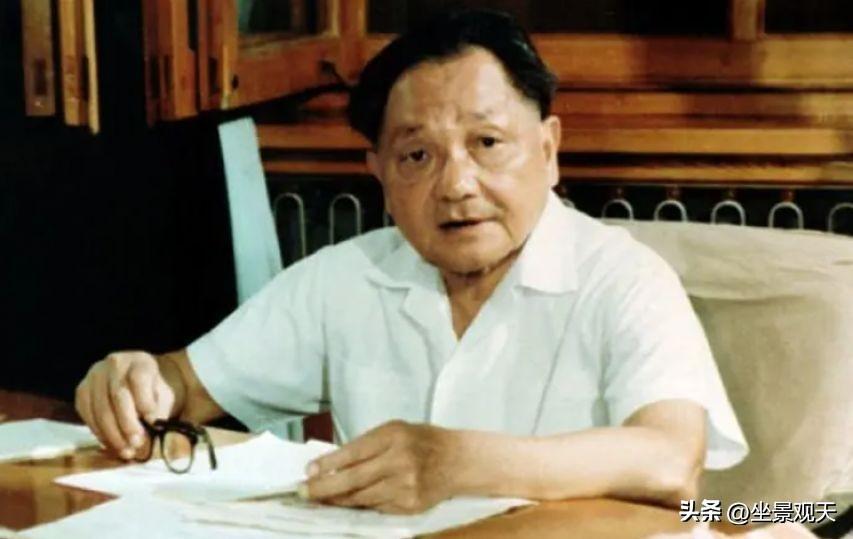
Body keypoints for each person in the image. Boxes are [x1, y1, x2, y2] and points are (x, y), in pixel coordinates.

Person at [75, 9, 747, 515]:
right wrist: (137, 383)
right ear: (379, 174)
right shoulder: (347, 277)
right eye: (417, 155)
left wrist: (456, 461)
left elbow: (669, 460)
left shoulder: (623, 277)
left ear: (548, 150)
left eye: (487, 143)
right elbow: (185, 382)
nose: (455, 185)